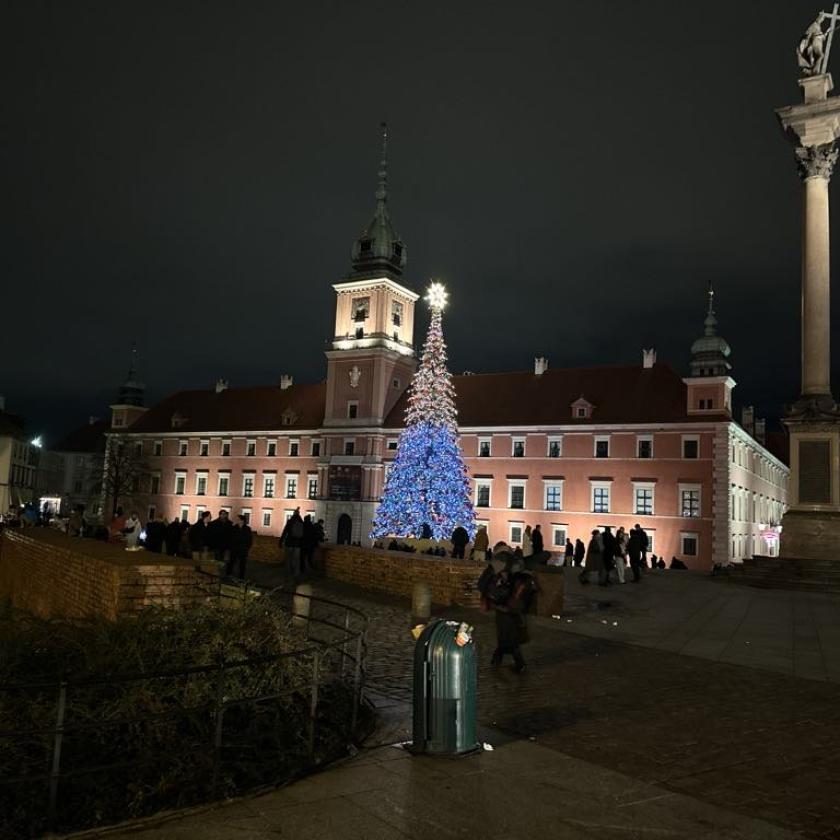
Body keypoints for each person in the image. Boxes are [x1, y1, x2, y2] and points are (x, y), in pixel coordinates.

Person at [480, 543, 534, 674]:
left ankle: (517, 663)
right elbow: (525, 580)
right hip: (514, 606)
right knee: (508, 634)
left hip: (503, 604)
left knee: (507, 635)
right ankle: (499, 658)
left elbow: (482, 583)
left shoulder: (497, 564)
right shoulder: (517, 563)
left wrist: (487, 598)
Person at [280, 507, 305, 577]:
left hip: (289, 543)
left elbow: (285, 532)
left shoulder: (290, 521)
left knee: (288, 558)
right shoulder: (301, 522)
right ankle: (296, 573)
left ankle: (288, 571)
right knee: (297, 559)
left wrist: (281, 540)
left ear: (293, 514)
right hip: (298, 544)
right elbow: (303, 534)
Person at [227, 515, 253, 579]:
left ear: (242, 520)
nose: (237, 520)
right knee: (231, 562)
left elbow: (249, 539)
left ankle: (241, 576)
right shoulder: (234, 528)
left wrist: (247, 547)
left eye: (238, 519)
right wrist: (231, 546)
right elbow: (230, 538)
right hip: (234, 548)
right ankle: (228, 574)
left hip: (243, 549)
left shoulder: (247, 529)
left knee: (242, 564)